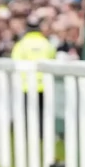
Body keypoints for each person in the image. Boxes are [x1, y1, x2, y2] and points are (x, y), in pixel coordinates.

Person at [10, 13, 56, 142]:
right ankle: (42, 134)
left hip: (26, 84)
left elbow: (15, 62)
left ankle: (28, 133)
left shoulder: (21, 44)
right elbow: (52, 58)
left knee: (28, 111)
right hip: (44, 84)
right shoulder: (46, 43)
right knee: (42, 112)